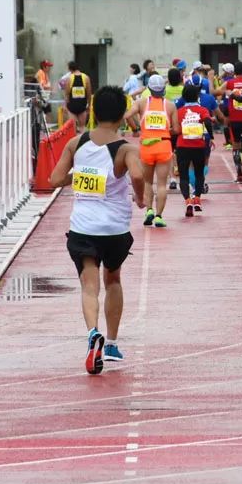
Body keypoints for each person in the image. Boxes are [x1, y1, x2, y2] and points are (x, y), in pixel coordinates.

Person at [50, 87, 145, 372]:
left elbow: (54, 179)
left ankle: (93, 334)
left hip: (83, 227)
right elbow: (138, 174)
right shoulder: (126, 148)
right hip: (115, 229)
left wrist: (78, 176)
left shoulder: (76, 143)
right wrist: (140, 197)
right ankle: (112, 343)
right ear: (121, 116)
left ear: (93, 111)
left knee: (88, 286)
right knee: (113, 280)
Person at [123, 74, 177, 228]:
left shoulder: (141, 103)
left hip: (146, 146)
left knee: (147, 181)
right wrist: (165, 131)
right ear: (163, 90)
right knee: (161, 184)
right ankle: (159, 216)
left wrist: (136, 128)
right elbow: (177, 129)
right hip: (164, 146)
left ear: (149, 89)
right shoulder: (170, 106)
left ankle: (149, 210)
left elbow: (127, 115)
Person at [174, 84, 211, 216]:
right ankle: (197, 198)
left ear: (183, 97)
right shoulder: (202, 110)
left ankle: (188, 200)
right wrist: (211, 136)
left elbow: (175, 130)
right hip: (198, 146)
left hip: (182, 146)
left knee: (183, 176)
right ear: (197, 96)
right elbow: (208, 121)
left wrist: (174, 146)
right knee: (199, 174)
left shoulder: (178, 112)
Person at [64, 61, 93, 133]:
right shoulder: (86, 78)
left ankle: (75, 142)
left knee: (73, 129)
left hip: (72, 106)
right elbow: (89, 93)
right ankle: (83, 142)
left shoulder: (69, 78)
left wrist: (65, 106)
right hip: (82, 106)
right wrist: (89, 105)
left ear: (70, 69)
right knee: (82, 127)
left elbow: (67, 94)